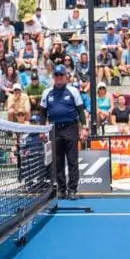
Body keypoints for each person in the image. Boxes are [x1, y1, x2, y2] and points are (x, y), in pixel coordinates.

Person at [39, 65, 85, 199]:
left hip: (71, 128)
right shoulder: (47, 92)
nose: (59, 78)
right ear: (53, 77)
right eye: (56, 75)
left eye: (61, 75)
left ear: (66, 77)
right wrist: (42, 130)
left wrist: (85, 128)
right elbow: (42, 113)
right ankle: (61, 189)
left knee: (72, 160)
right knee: (58, 161)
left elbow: (80, 110)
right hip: (55, 129)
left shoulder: (73, 91)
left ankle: (72, 189)